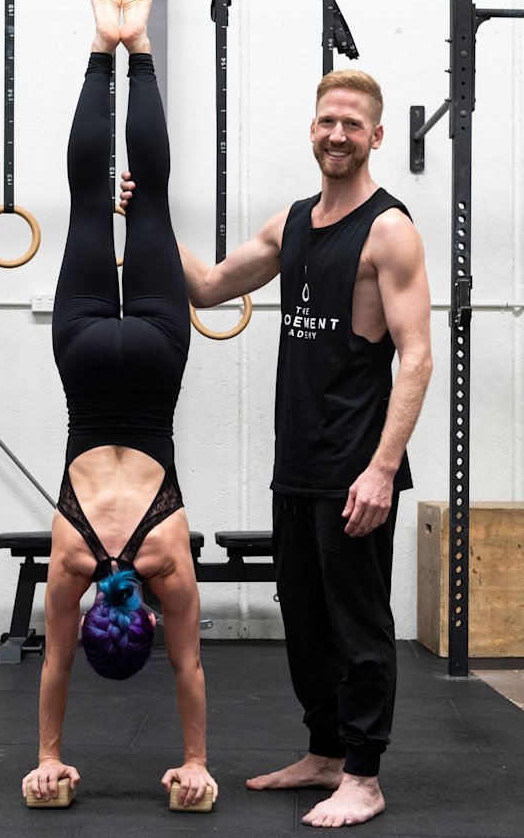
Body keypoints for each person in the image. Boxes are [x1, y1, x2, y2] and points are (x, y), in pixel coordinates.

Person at [122, 65, 432, 828]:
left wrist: (382, 470)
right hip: (296, 460)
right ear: (313, 128)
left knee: (357, 622)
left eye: (353, 124)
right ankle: (325, 750)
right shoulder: (292, 223)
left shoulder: (389, 229)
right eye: (328, 120)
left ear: (376, 137)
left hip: (354, 466)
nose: (337, 134)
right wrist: (152, 217)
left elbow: (417, 355)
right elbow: (209, 286)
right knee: (303, 612)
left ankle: (364, 774)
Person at [21, 0, 218, 811]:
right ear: (109, 613)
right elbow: (59, 665)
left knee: (151, 200)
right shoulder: (72, 564)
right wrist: (47, 759)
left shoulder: (165, 560)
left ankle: (131, 47)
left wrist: (197, 761)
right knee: (84, 205)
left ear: (138, 622)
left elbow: (190, 667)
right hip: (85, 357)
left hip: (155, 362)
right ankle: (106, 47)